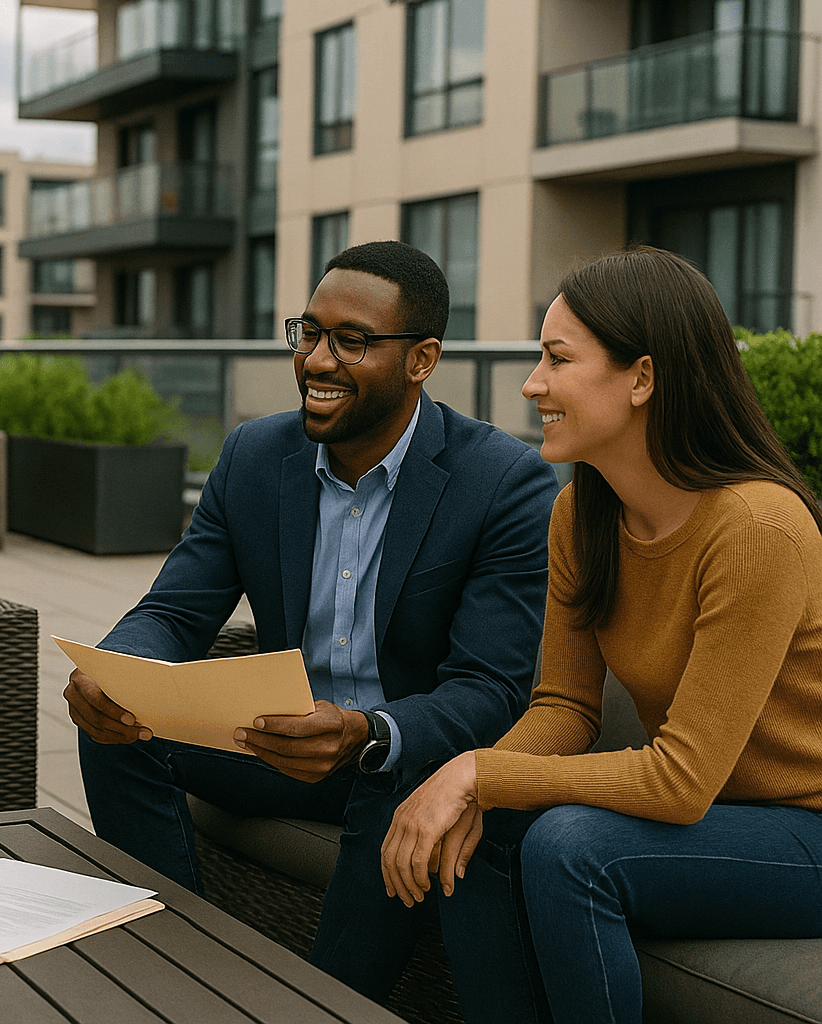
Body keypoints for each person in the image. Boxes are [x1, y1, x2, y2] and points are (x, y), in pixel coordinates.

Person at [66, 240, 559, 1001]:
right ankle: (173, 972)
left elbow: (491, 688)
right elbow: (173, 609)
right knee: (118, 730)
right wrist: (116, 671)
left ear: (422, 359)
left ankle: (326, 1003)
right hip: (278, 741)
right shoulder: (256, 456)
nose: (317, 362)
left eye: (352, 342)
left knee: (402, 777)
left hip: (395, 757)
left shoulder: (502, 482)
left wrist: (369, 733)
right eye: (309, 333)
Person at [382, 246, 822, 1024]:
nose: (532, 384)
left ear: (643, 378)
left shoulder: (759, 527)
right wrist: (469, 785)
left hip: (805, 832)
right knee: (479, 832)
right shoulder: (581, 518)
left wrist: (478, 770)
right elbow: (566, 707)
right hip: (719, 817)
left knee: (571, 846)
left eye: (557, 359)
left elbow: (682, 780)